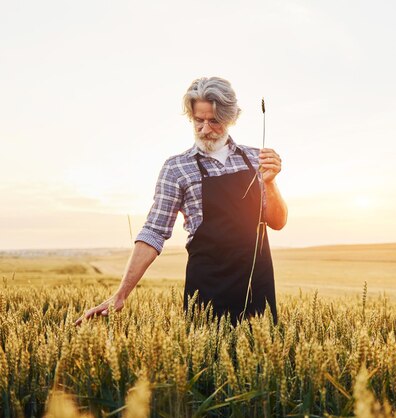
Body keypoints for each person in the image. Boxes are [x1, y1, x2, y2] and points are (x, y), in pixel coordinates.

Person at [75, 77, 287, 326]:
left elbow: (277, 221)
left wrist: (271, 183)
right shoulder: (177, 168)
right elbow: (154, 231)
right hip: (207, 289)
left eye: (214, 121)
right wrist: (120, 294)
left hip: (257, 284)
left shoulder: (255, 158)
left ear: (230, 118)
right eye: (199, 120)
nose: (205, 129)